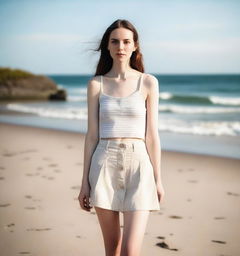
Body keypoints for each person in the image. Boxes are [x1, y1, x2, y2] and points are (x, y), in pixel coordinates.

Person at [78, 19, 165, 256]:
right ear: (107, 46)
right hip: (104, 162)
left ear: (135, 46)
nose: (121, 46)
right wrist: (84, 181)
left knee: (129, 250)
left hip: (139, 165)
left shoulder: (148, 82)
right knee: (112, 249)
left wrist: (158, 178)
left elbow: (152, 135)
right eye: (115, 41)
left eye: (127, 41)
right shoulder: (96, 84)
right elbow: (92, 134)